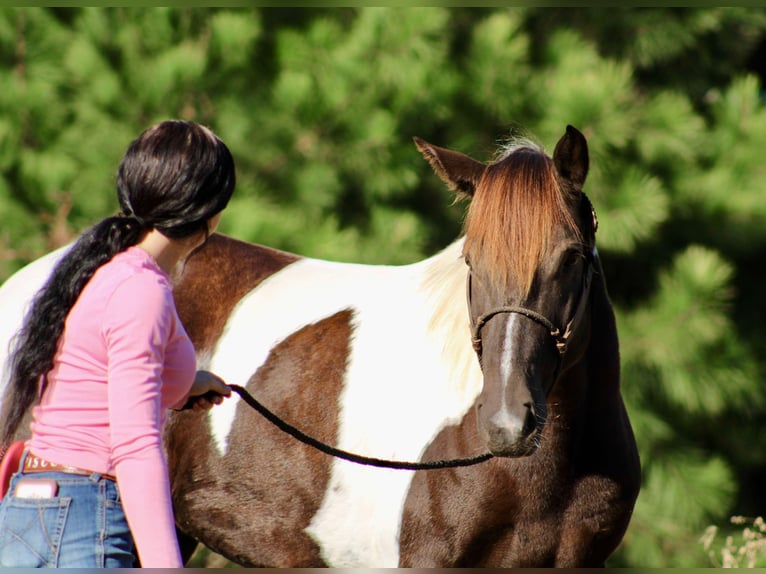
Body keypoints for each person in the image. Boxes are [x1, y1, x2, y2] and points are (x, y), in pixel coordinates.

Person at [0, 120, 236, 568]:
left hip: (30, 515)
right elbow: (134, 443)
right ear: (211, 210)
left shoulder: (105, 268)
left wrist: (188, 385)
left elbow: (97, 376)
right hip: (83, 519)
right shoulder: (140, 291)